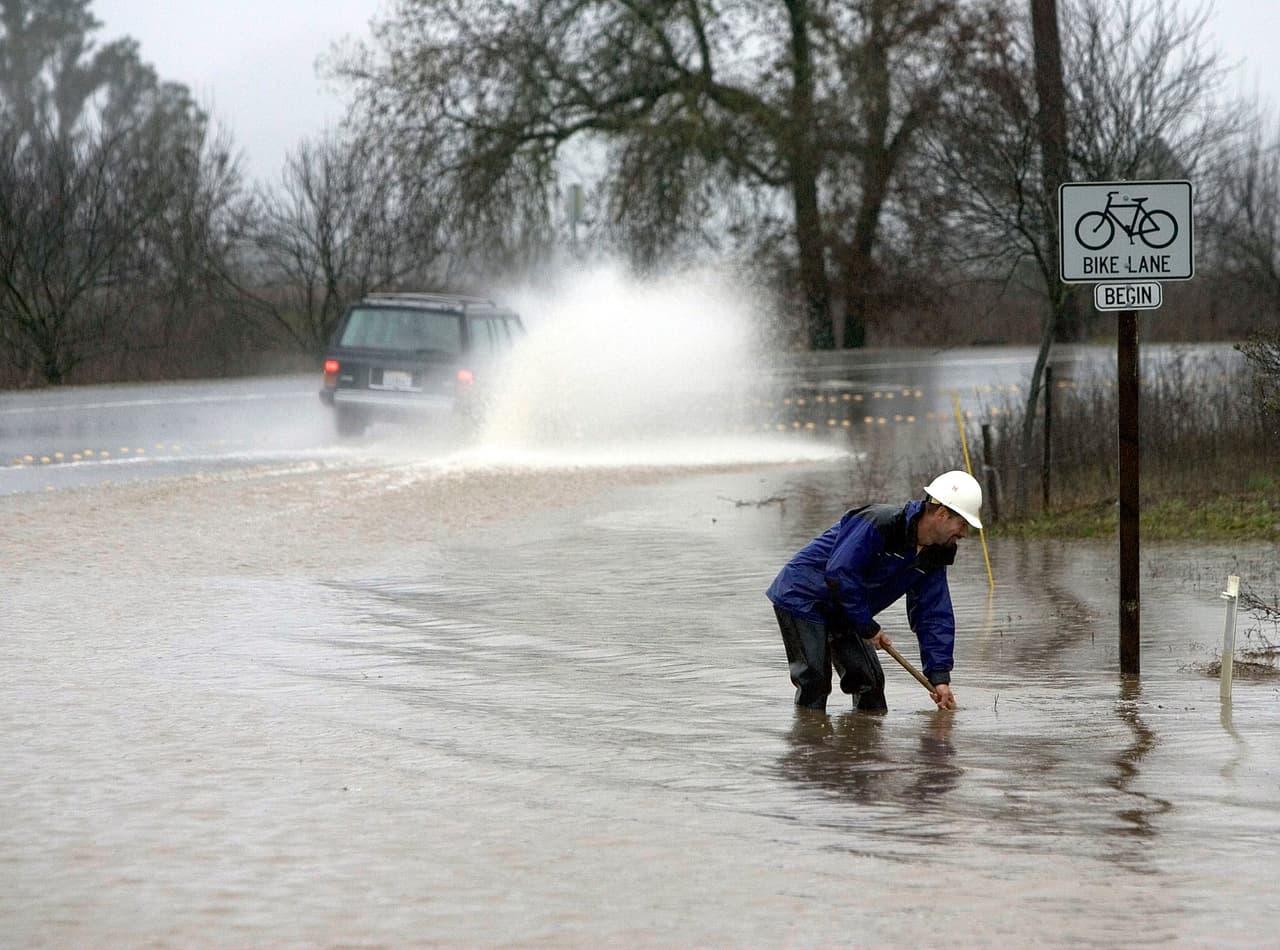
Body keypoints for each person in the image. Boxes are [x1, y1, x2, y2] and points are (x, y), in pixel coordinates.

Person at [766, 470, 983, 713]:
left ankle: (865, 747)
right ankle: (810, 746)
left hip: (847, 609)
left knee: (870, 682)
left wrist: (940, 677)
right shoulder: (879, 522)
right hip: (802, 596)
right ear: (942, 514)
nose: (964, 533)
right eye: (962, 524)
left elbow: (933, 614)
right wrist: (867, 627)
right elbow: (840, 573)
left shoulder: (936, 554)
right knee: (814, 681)